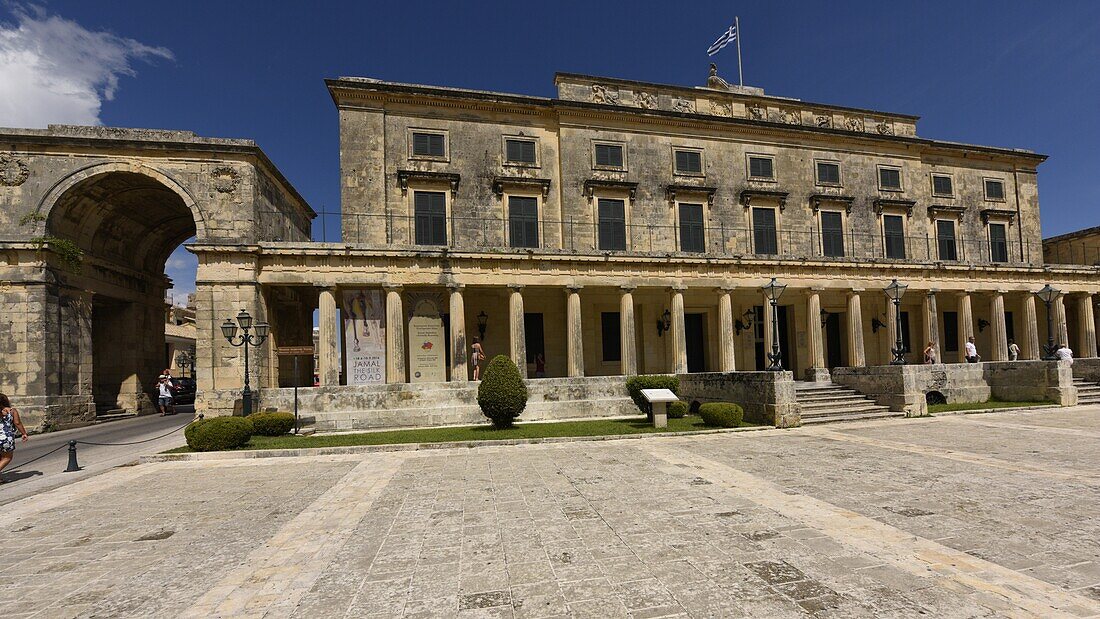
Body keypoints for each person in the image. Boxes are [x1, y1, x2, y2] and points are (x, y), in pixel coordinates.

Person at [0, 393, 29, 483]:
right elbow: (17, 423)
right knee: (7, 458)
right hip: (6, 438)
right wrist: (24, 433)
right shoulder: (12, 411)